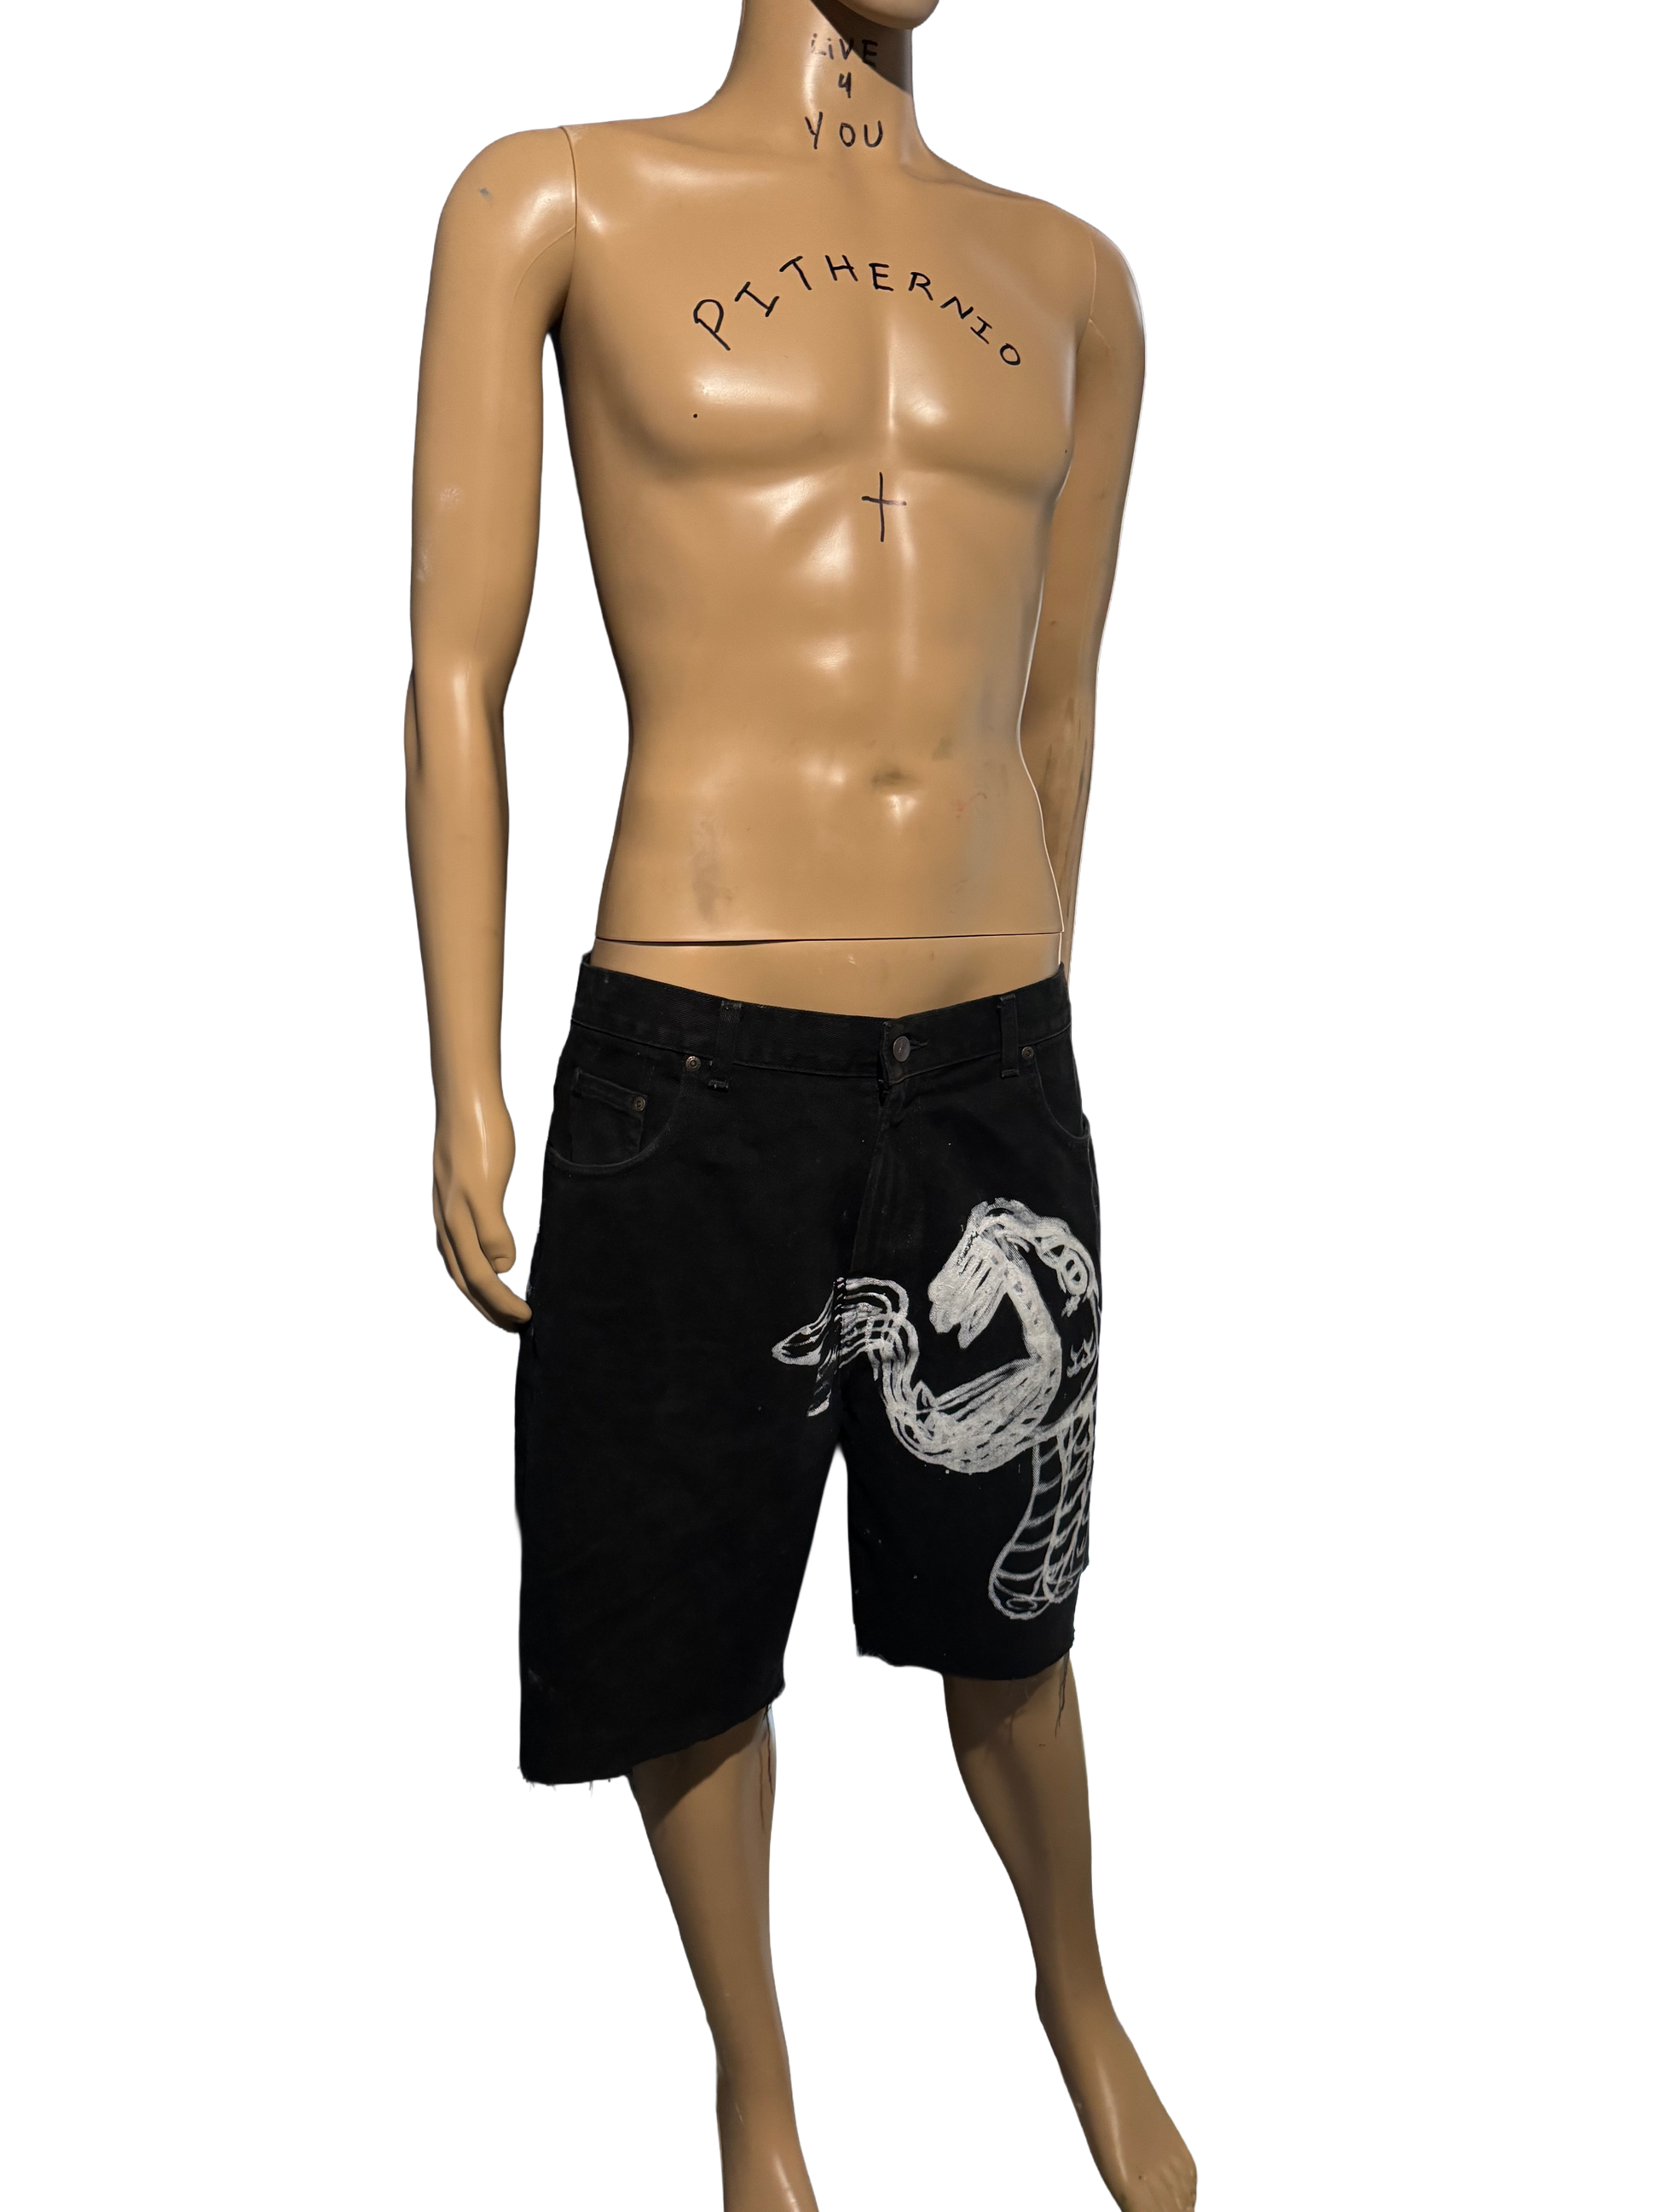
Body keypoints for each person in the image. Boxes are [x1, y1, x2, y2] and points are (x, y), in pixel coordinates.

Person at [403, 3, 1196, 2205]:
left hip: (993, 1034)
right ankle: (759, 2100)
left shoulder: (1070, 269)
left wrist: (1031, 991)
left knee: (1015, 1606)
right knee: (684, 1620)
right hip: (696, 1027)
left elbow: (1063, 697)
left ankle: (1079, 1998)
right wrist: (463, 1071)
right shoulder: (562, 192)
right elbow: (459, 665)